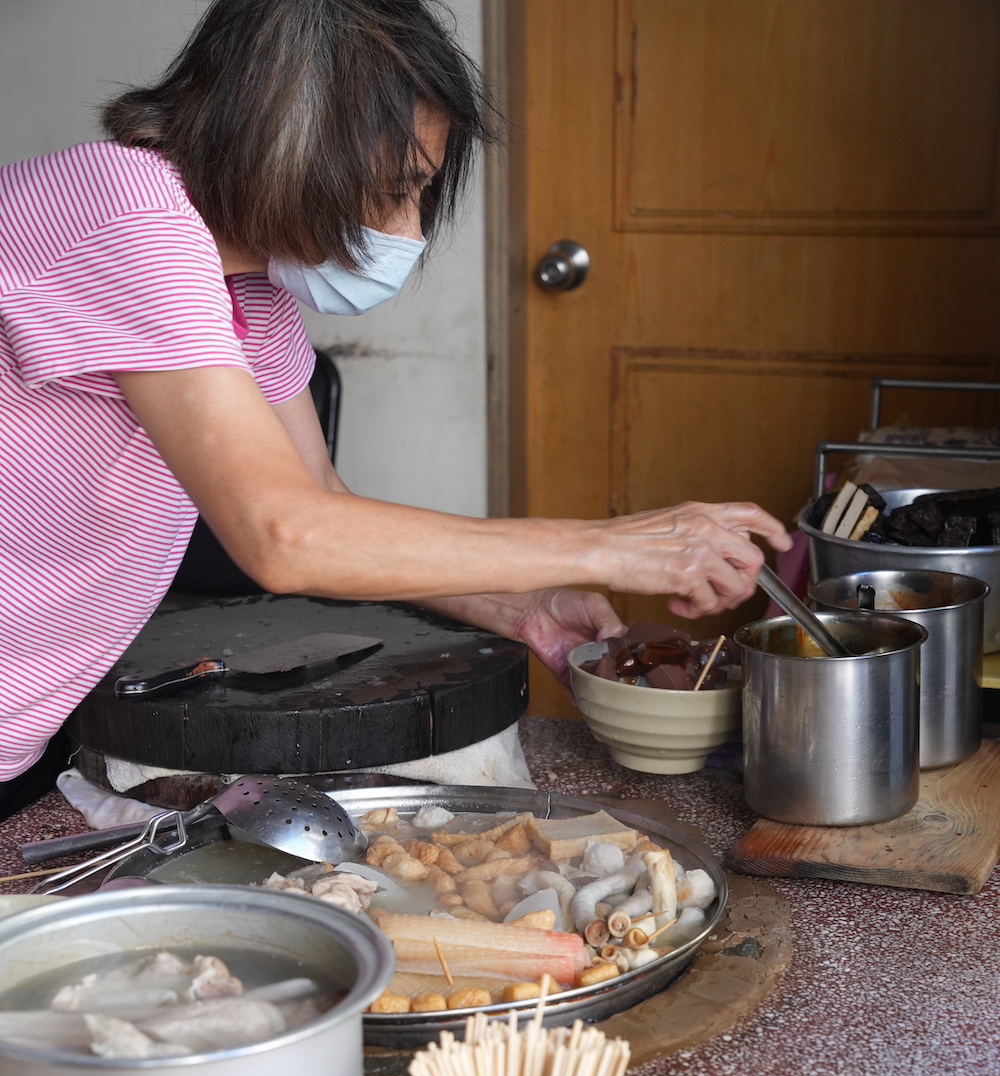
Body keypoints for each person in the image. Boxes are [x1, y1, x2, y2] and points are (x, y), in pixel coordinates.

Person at [0, 0, 790, 820]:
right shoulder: (125, 214)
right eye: (394, 190)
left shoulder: (246, 281)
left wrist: (517, 606)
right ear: (286, 142)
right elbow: (283, 536)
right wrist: (616, 546)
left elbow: (323, 503)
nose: (407, 231)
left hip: (32, 721)